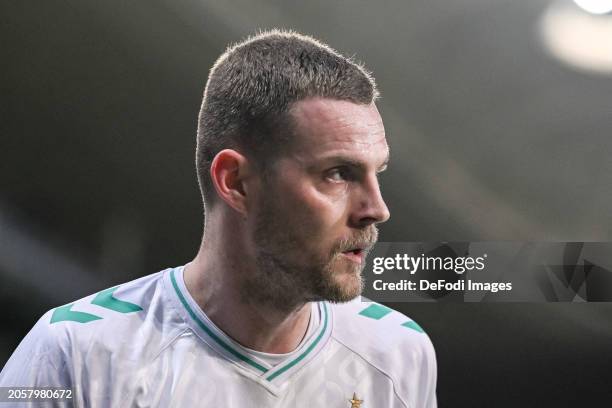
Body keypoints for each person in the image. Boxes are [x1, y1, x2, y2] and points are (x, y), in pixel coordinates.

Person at [0, 29, 437, 407]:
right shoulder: (73, 354)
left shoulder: (398, 354)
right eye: (338, 174)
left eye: (375, 173)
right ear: (236, 182)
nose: (376, 209)